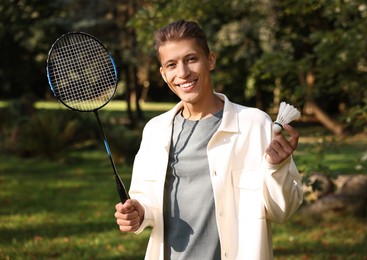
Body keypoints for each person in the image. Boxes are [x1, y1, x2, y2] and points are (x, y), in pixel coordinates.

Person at [114, 20, 303, 260]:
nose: (183, 73)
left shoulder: (255, 124)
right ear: (163, 74)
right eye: (172, 64)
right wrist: (138, 214)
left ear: (210, 60)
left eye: (191, 59)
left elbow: (282, 212)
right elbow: (145, 203)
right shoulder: (155, 130)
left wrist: (277, 168)